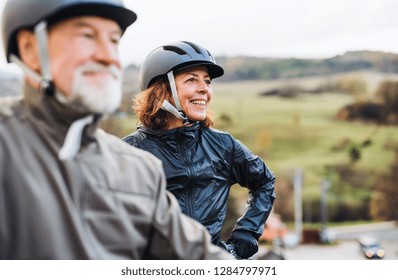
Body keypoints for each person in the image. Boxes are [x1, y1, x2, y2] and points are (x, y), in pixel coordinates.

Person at [0, 0, 233, 260]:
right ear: (30, 48)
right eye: (87, 36)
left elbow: (199, 259)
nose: (109, 56)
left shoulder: (138, 170)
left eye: (113, 41)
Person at [123, 41, 276, 259]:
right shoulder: (127, 153)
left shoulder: (224, 146)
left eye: (207, 81)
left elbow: (264, 181)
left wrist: (247, 233)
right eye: (191, 80)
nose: (204, 89)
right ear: (162, 91)